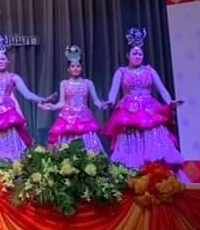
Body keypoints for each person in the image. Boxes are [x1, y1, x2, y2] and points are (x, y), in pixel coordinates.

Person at [105, 28, 185, 176]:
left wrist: (170, 101)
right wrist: (110, 101)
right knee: (131, 142)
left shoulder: (149, 70)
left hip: (149, 110)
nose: (137, 56)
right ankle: (134, 175)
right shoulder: (121, 71)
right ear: (128, 55)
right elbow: (113, 91)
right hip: (129, 112)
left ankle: (158, 175)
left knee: (155, 140)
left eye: (140, 54)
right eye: (134, 53)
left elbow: (162, 89)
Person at [38, 45, 107, 153]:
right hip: (67, 118)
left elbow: (96, 101)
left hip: (84, 117)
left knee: (88, 146)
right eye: (73, 66)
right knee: (64, 145)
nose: (75, 68)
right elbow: (61, 103)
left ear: (81, 68)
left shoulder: (88, 83)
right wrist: (52, 107)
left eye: (78, 66)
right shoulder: (64, 83)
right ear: (68, 69)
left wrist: (102, 105)